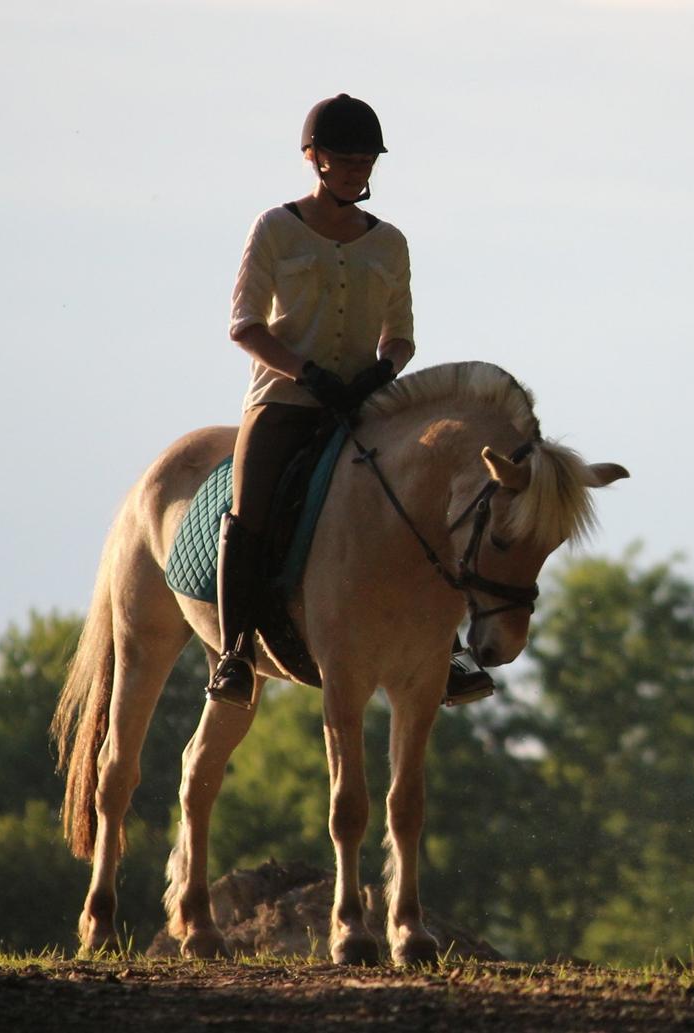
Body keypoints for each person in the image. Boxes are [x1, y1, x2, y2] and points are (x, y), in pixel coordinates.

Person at [209, 93, 494, 710]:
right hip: (285, 400)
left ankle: (443, 648)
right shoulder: (276, 229)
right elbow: (245, 325)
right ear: (315, 158)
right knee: (249, 508)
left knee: (425, 507)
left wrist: (380, 371)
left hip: (366, 405)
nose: (360, 169)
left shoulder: (389, 242)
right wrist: (307, 372)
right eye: (347, 158)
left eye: (367, 159)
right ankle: (234, 653)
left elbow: (402, 335)